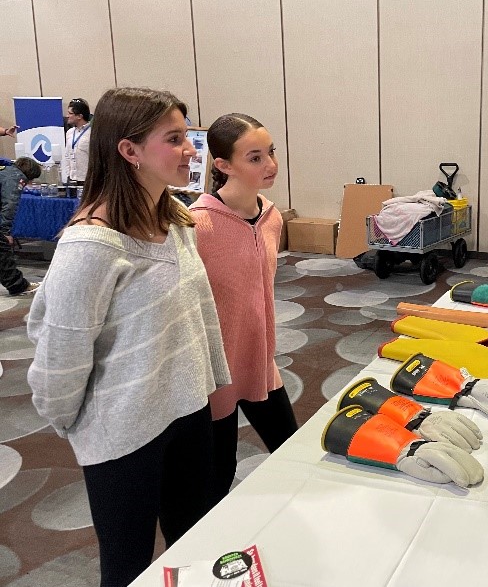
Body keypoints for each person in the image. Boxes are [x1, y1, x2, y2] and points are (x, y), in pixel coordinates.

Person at [27, 87, 231, 587]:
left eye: (188, 136)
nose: (190, 150)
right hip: (123, 437)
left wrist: (214, 385)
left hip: (187, 413)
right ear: (129, 150)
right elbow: (60, 360)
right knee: (129, 568)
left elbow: (200, 316)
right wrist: (82, 425)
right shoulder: (90, 246)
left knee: (193, 549)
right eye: (175, 138)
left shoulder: (176, 220)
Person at [190, 113, 298, 504]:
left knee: (292, 453)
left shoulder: (271, 217)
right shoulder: (195, 226)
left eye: (271, 153)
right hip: (214, 374)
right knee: (218, 477)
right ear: (223, 165)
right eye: (254, 157)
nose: (270, 165)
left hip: (260, 362)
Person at [0, 157, 42, 295]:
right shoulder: (17, 178)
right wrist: (5, 232)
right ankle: (17, 285)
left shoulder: (5, 170)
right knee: (2, 248)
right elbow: (10, 206)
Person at [61, 97, 92, 184]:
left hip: (87, 180)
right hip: (72, 179)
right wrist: (68, 175)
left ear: (79, 116)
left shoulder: (92, 133)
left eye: (70, 113)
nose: (67, 116)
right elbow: (67, 155)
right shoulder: (70, 133)